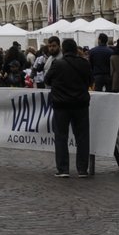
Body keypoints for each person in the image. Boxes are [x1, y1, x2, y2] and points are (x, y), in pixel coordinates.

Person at [44, 38, 93, 178]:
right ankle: (82, 169)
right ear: (75, 49)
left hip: (61, 105)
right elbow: (90, 81)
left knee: (61, 137)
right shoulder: (84, 63)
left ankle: (63, 169)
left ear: (63, 49)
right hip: (81, 104)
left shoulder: (57, 64)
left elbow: (47, 80)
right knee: (82, 137)